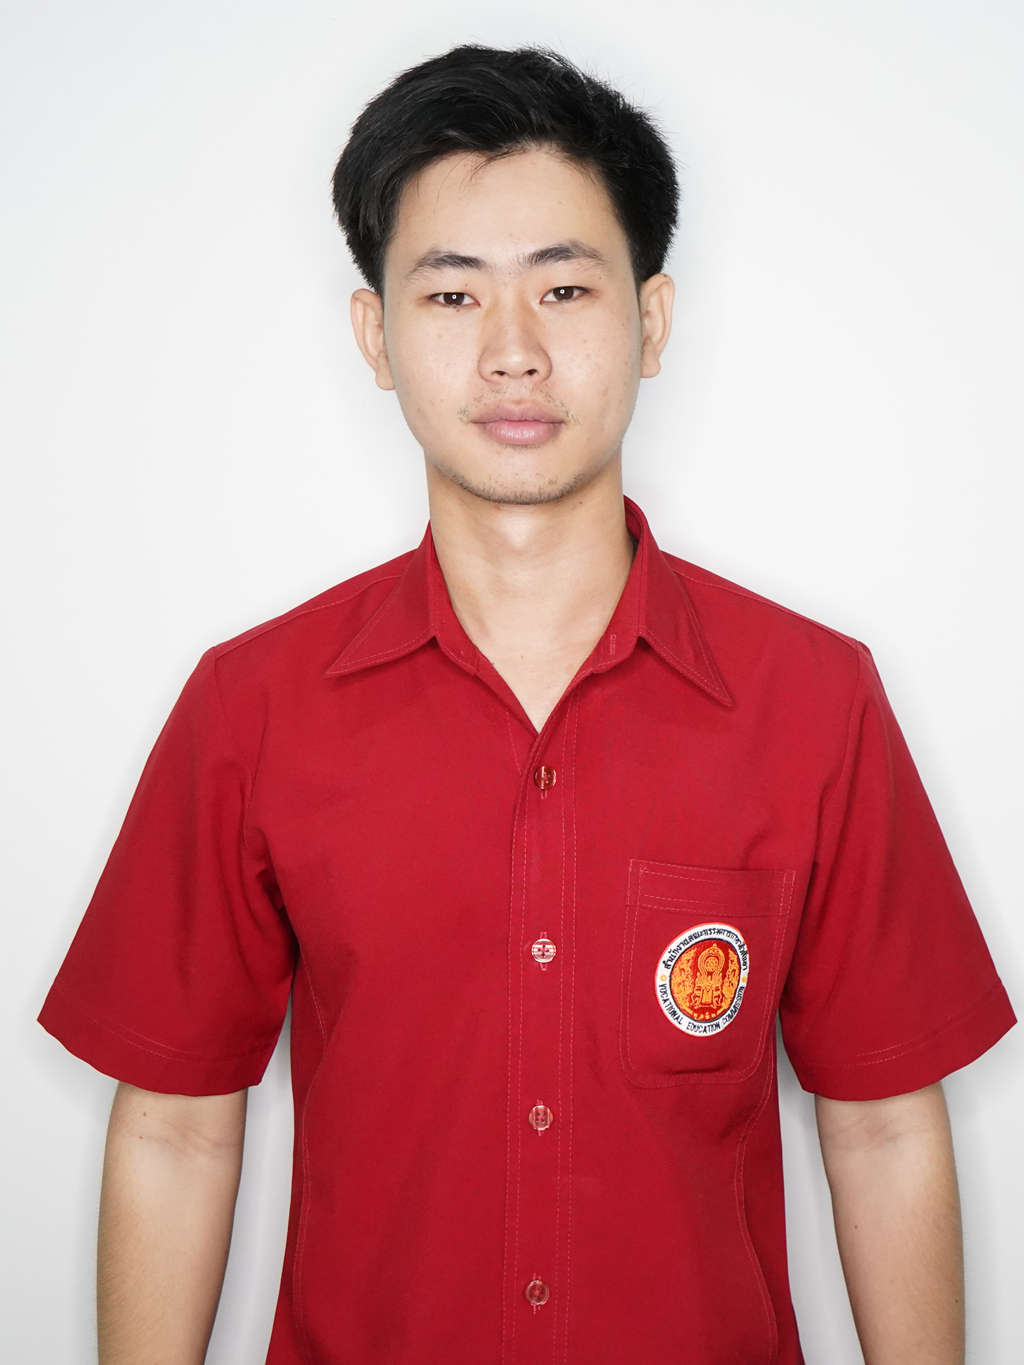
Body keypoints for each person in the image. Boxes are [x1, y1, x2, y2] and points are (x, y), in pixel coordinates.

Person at [39, 44, 1014, 1365]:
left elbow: (886, 1123)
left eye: (563, 287)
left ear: (651, 322)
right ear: (375, 335)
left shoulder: (814, 699)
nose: (513, 351)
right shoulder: (251, 707)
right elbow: (172, 1126)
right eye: (452, 294)